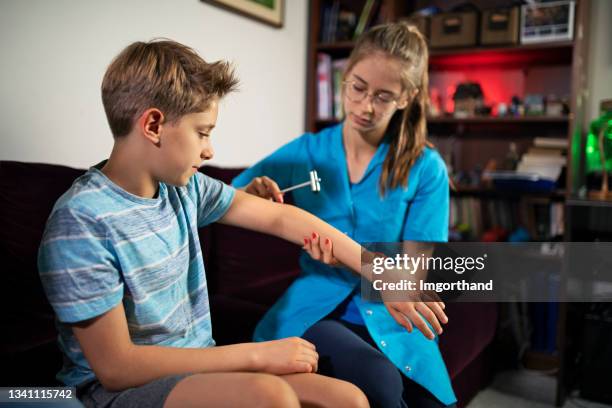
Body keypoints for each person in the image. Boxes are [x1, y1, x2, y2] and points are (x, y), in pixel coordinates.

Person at [37, 39, 374, 408]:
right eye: (202, 132)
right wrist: (258, 356)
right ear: (153, 125)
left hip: (197, 371)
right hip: (114, 392)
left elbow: (280, 216)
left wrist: (379, 270)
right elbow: (116, 368)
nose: (210, 150)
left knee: (349, 400)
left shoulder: (184, 188)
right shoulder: (81, 221)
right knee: (270, 395)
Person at [233, 22, 456, 408]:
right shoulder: (306, 151)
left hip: (391, 312)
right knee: (380, 382)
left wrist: (344, 255)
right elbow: (221, 200)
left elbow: (415, 273)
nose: (365, 106)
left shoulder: (426, 168)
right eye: (357, 87)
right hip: (314, 308)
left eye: (383, 96)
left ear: (407, 98)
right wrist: (250, 194)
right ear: (344, 78)